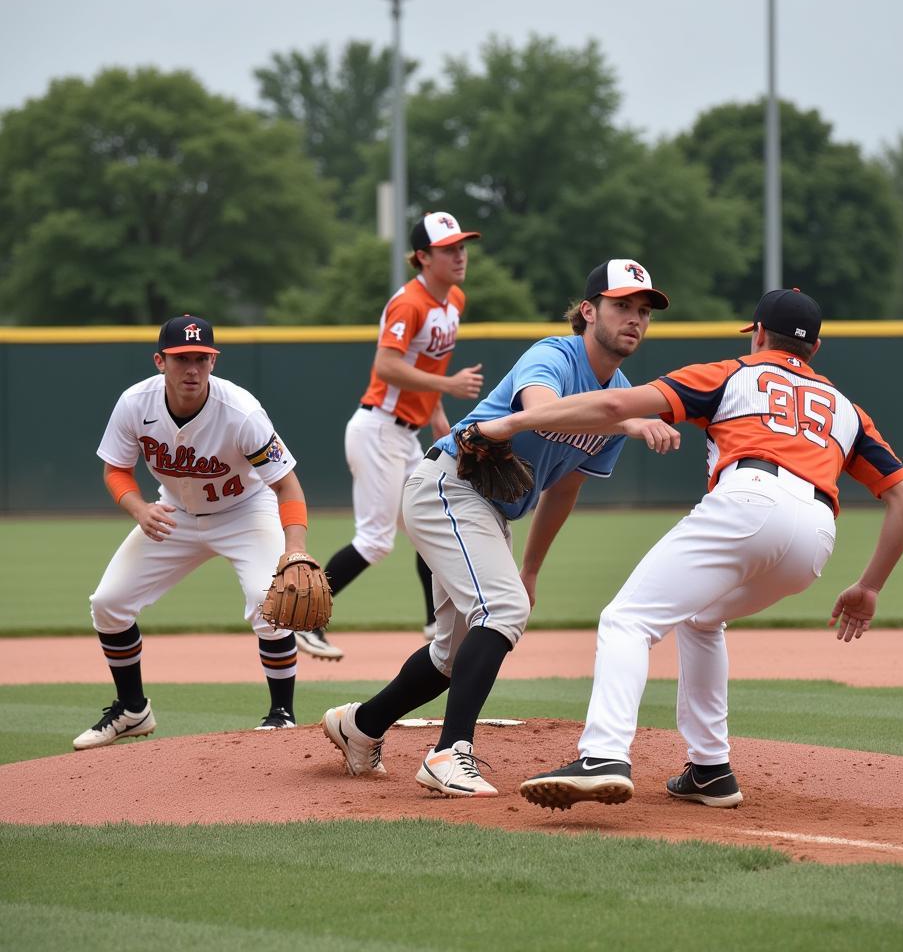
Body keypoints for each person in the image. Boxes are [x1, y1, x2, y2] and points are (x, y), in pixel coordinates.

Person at [475, 287, 903, 810]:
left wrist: (515, 421)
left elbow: (618, 403)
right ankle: (710, 768)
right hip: (815, 536)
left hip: (749, 501)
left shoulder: (732, 373)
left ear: (757, 334)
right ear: (815, 349)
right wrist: (869, 586)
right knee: (702, 617)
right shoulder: (847, 412)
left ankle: (602, 756)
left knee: (627, 620)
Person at [321, 259, 678, 796]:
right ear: (588, 311)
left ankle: (361, 725)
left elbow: (566, 488)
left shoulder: (618, 392)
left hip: (487, 512)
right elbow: (539, 410)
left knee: (451, 652)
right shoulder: (554, 355)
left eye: (643, 311)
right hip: (448, 485)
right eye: (621, 305)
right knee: (502, 609)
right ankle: (449, 752)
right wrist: (622, 419)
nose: (634, 319)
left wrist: (530, 568)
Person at [73, 315, 315, 750]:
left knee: (270, 602)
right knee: (108, 604)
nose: (193, 369)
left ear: (213, 362)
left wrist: (294, 551)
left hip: (245, 511)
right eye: (182, 358)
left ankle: (282, 715)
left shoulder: (241, 412)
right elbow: (116, 469)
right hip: (174, 513)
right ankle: (132, 710)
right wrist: (138, 508)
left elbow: (286, 484)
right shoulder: (135, 403)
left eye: (202, 358)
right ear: (160, 361)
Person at [300, 212, 485, 661]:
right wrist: (448, 388)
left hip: (406, 433)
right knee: (376, 540)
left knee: (425, 525)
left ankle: (432, 622)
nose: (459, 255)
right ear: (422, 257)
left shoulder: (453, 299)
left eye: (462, 246)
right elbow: (387, 365)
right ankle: (302, 624)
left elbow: (426, 366)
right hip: (378, 429)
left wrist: (438, 415)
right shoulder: (409, 303)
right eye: (448, 249)